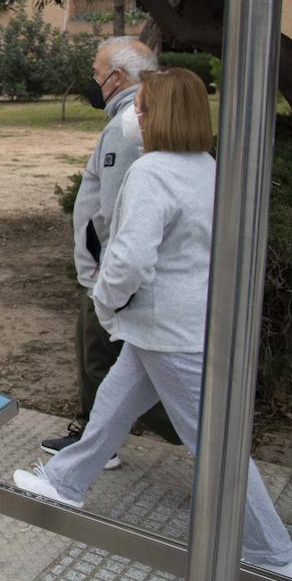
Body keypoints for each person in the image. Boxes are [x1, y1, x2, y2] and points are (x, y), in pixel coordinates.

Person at [14, 68, 292, 581]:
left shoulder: (153, 173)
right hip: (181, 325)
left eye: (144, 108)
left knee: (213, 446)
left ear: (164, 115)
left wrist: (104, 304)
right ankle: (65, 481)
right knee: (113, 401)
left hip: (168, 330)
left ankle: (274, 554)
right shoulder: (206, 166)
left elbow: (128, 260)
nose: (137, 117)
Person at [42, 36, 179, 467]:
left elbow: (115, 210)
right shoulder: (150, 116)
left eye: (97, 73)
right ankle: (106, 437)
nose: (95, 81)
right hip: (121, 271)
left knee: (98, 354)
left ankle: (99, 440)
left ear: (117, 77)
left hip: (111, 273)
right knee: (126, 364)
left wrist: (105, 277)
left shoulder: (127, 127)